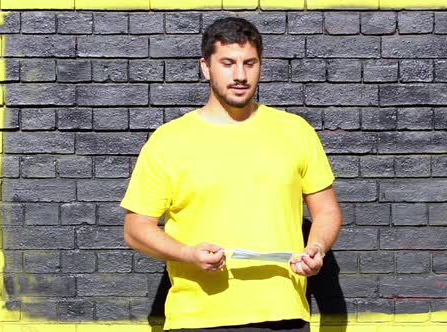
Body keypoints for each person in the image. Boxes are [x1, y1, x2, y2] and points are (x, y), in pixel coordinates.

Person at [121, 17, 342, 332]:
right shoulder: (169, 140)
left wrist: (316, 248)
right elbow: (135, 229)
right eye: (228, 63)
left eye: (249, 63)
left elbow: (327, 210)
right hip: (199, 319)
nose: (240, 75)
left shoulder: (295, 132)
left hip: (283, 315)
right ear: (206, 66)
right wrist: (187, 253)